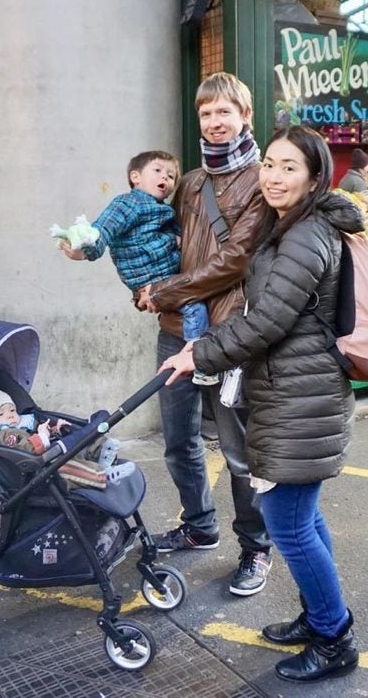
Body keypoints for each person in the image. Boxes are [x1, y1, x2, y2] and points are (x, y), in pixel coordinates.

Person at [160, 125, 365, 683]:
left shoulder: (304, 235)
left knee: (287, 522)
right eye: (269, 165)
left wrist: (198, 353)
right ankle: (320, 615)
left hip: (300, 394)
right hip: (295, 389)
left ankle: (334, 638)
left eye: (289, 168)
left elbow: (270, 320)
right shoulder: (294, 224)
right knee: (303, 516)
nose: (274, 177)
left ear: (314, 177)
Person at [137, 72, 274, 597]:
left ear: (245, 115)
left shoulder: (262, 180)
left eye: (225, 112)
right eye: (206, 114)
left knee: (240, 452)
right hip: (177, 329)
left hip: (229, 332)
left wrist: (165, 290)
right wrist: (134, 277)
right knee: (178, 440)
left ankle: (255, 548)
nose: (215, 123)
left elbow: (234, 260)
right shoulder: (191, 182)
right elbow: (158, 240)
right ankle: (199, 524)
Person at [59, 151, 214, 385]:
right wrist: (86, 249)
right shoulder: (129, 203)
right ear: (135, 177)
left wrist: (176, 238)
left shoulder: (160, 208)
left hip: (160, 275)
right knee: (194, 307)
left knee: (193, 306)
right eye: (158, 171)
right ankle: (198, 360)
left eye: (171, 176)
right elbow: (104, 229)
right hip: (151, 274)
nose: (166, 177)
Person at [0, 387, 134, 489]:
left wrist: (54, 428)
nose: (9, 416)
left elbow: (42, 428)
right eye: (0, 414)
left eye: (12, 410)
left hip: (54, 453)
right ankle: (103, 475)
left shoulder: (24, 423)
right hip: (38, 469)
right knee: (67, 468)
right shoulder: (6, 434)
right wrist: (42, 437)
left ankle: (100, 451)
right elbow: (25, 448)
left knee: (82, 439)